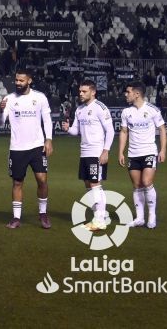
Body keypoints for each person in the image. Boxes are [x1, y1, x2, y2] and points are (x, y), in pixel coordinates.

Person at [0, 68, 53, 229]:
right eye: (16, 80)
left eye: (21, 80)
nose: (18, 83)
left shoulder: (40, 97)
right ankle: (16, 218)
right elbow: (0, 123)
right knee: (17, 182)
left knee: (42, 180)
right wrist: (1, 110)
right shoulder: (9, 99)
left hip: (37, 146)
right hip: (17, 148)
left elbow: (47, 119)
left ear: (29, 81)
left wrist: (49, 139)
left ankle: (43, 213)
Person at [61, 79, 115, 231]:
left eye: (84, 91)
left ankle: (99, 220)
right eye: (80, 91)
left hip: (96, 152)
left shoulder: (100, 108)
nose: (81, 93)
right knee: (88, 184)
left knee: (95, 184)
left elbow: (110, 131)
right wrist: (68, 129)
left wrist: (105, 151)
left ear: (93, 92)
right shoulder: (79, 109)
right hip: (84, 153)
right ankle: (100, 216)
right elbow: (76, 131)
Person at [118, 81, 167, 229]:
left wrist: (163, 150)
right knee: (137, 185)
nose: (126, 94)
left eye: (128, 92)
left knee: (146, 182)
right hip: (133, 154)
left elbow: (162, 130)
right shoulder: (126, 112)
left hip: (149, 152)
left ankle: (152, 216)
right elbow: (124, 132)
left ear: (137, 93)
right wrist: (121, 152)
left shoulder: (152, 110)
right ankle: (139, 218)